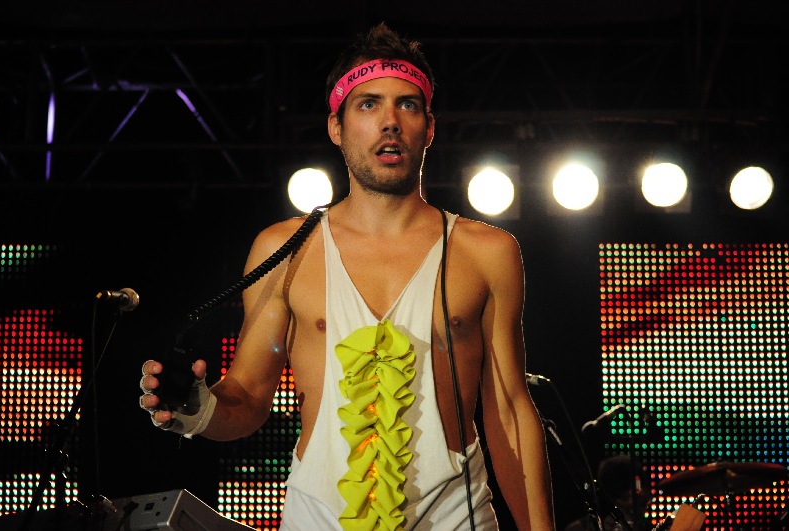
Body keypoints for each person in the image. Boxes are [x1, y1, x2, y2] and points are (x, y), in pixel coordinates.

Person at [138, 22, 556, 530]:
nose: (390, 122)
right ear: (336, 128)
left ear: (429, 127)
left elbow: (510, 410)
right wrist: (199, 408)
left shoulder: (487, 252)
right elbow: (248, 397)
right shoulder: (284, 249)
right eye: (368, 104)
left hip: (454, 518)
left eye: (407, 104)